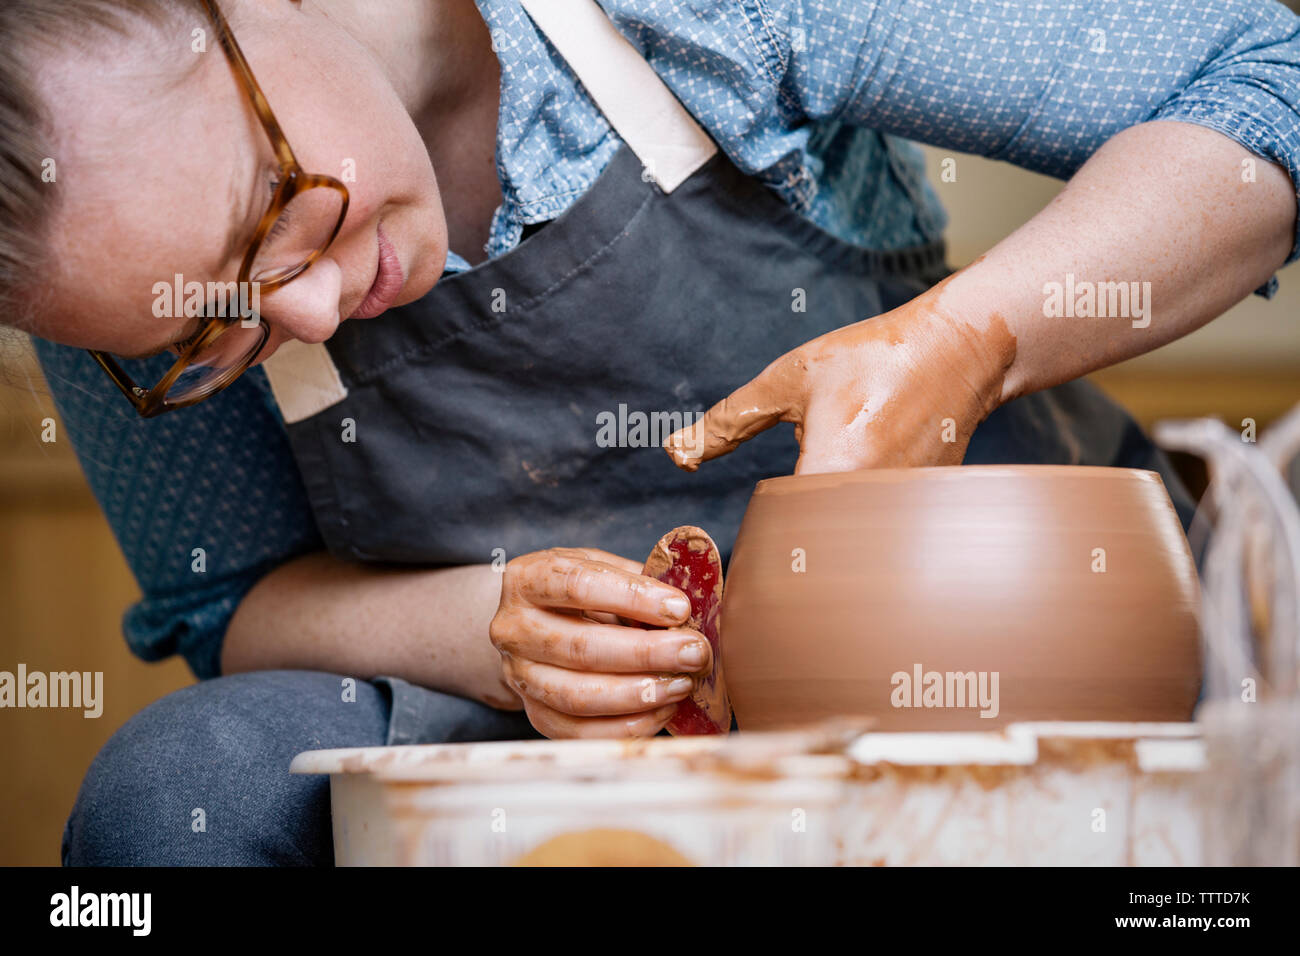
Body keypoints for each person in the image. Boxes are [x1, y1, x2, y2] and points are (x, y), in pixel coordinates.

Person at [6, 0, 1297, 864]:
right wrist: (500, 629)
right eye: (209, 329)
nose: (312, 304)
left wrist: (974, 337)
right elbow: (225, 601)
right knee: (180, 789)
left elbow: (1268, 74)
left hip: (1020, 662)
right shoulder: (102, 272)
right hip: (565, 745)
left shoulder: (678, 18)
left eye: (271, 216)